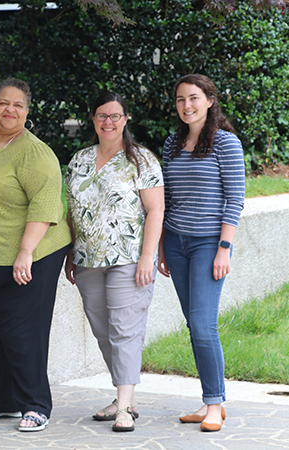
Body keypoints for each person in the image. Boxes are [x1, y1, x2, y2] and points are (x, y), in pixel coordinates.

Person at [0, 78, 71, 432]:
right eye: (3, 103)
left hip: (29, 258)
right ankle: (6, 398)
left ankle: (36, 404)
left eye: (18, 105)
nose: (10, 110)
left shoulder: (34, 152)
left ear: (27, 111)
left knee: (23, 333)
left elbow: (46, 205)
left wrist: (25, 252)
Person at [64, 92, 164, 432]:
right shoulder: (78, 161)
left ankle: (124, 408)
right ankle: (126, 397)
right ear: (93, 119)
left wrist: (147, 257)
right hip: (87, 259)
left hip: (128, 257)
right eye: (102, 116)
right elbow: (71, 211)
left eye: (115, 116)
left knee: (125, 329)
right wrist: (69, 253)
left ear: (125, 119)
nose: (109, 122)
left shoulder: (142, 160)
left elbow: (156, 210)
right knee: (103, 330)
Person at [158, 74, 245, 432]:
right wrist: (163, 246)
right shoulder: (171, 144)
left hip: (209, 244)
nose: (187, 106)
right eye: (180, 100)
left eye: (193, 98)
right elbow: (167, 200)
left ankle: (214, 403)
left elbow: (235, 199)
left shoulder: (226, 144)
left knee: (204, 326)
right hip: (176, 243)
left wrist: (224, 248)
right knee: (195, 325)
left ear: (210, 100)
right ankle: (210, 400)